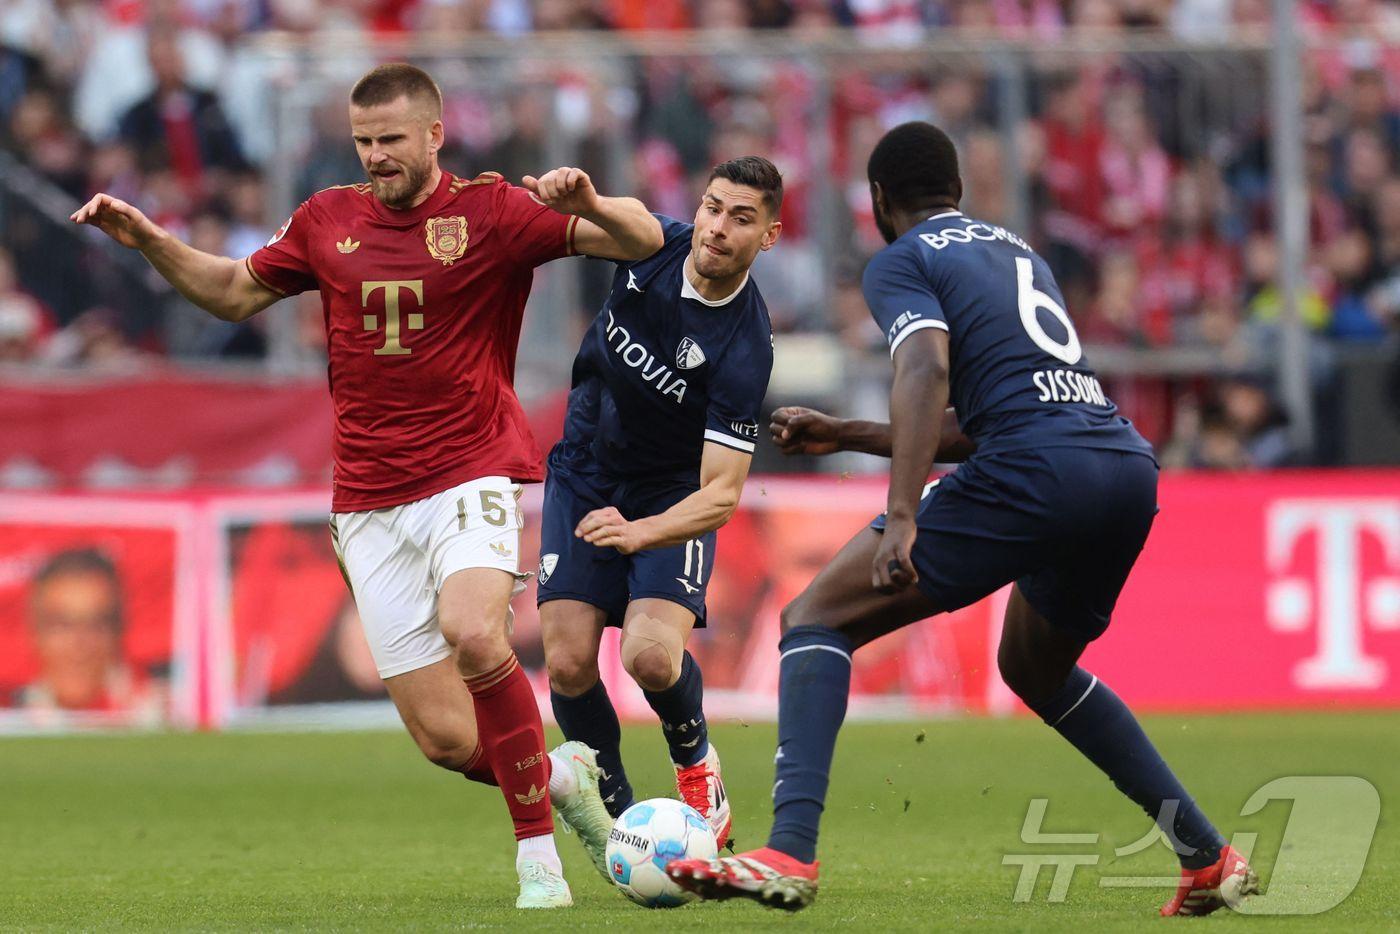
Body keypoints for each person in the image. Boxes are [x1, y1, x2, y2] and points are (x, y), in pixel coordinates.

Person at [72, 62, 664, 909]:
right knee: (446, 739)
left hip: (471, 466)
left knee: (475, 632)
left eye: (391, 140)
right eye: (363, 142)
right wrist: (152, 241)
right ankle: (564, 788)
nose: (377, 156)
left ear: (434, 135)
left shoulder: (492, 210)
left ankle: (538, 859)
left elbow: (644, 239)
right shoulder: (326, 219)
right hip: (368, 500)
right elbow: (236, 293)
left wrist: (590, 204)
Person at [668, 122, 1259, 917]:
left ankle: (789, 852)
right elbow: (989, 414)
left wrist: (902, 516)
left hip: (1035, 470)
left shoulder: (902, 260)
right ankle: (1206, 855)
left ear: (879, 199)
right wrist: (849, 437)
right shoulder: (1019, 253)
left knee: (815, 617)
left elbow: (923, 367)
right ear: (957, 193)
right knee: (1036, 669)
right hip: (1119, 467)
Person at [536, 157, 782, 876]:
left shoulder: (745, 347)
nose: (718, 227)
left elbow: (723, 495)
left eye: (741, 218)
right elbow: (628, 216)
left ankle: (695, 758)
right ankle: (610, 810)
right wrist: (582, 196)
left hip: (669, 495)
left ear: (768, 236)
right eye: (713, 207)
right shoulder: (657, 243)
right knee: (570, 660)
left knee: (648, 657)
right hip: (584, 472)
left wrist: (640, 532)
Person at [20, 547, 160, 724]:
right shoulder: (12, 716)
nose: (79, 644)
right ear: (36, 633)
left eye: (97, 625)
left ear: (119, 632)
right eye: (62, 625)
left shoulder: (164, 717)